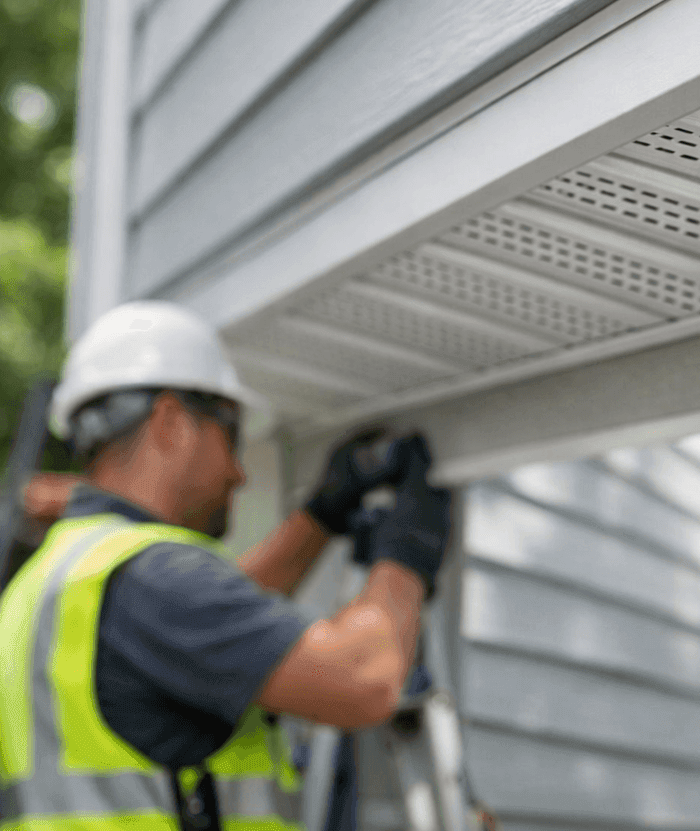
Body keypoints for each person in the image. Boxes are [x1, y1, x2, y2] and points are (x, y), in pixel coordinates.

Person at [0, 300, 453, 831]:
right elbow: (364, 680)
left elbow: (219, 629)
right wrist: (406, 555)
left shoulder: (57, 576)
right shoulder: (154, 577)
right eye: (231, 435)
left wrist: (320, 517)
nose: (240, 473)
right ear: (170, 422)